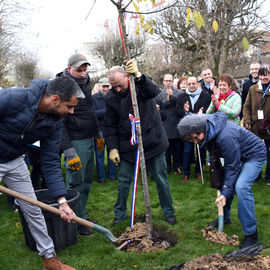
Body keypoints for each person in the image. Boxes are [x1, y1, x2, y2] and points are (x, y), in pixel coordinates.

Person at [0, 76, 82, 270]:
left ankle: (49, 258)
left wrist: (62, 201)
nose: (72, 112)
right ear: (55, 100)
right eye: (69, 106)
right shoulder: (11, 98)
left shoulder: (55, 122)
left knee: (33, 208)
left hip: (15, 160)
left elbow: (50, 160)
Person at [178, 113, 266, 252]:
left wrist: (225, 190)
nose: (195, 142)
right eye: (191, 140)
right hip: (237, 155)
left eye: (195, 138)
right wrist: (220, 182)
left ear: (202, 129)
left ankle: (251, 234)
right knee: (225, 185)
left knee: (241, 187)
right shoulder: (208, 131)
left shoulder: (225, 136)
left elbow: (233, 166)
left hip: (254, 155)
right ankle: (224, 218)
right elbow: (217, 155)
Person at [105, 60, 176, 225]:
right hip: (127, 146)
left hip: (153, 141)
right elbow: (110, 125)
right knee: (123, 180)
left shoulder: (140, 85)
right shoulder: (111, 98)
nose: (117, 89)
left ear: (126, 76)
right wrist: (113, 148)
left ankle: (168, 212)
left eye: (120, 85)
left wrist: (138, 75)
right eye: (113, 86)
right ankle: (120, 213)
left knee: (160, 177)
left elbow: (153, 91)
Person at [57, 53, 100, 236]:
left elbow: (89, 110)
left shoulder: (85, 82)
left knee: (87, 182)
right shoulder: (61, 86)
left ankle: (81, 215)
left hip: (89, 137)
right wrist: (68, 149)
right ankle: (72, 222)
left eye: (84, 70)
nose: (83, 74)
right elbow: (58, 122)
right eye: (78, 70)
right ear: (69, 69)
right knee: (75, 182)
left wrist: (97, 133)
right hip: (75, 140)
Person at [176, 77, 211, 182]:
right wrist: (185, 111)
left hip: (200, 129)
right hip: (188, 130)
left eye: (193, 83)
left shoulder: (205, 95)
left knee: (200, 150)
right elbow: (177, 112)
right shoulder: (181, 96)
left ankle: (198, 171)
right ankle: (186, 173)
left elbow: (209, 110)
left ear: (198, 84)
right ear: (187, 85)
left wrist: (202, 113)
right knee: (187, 151)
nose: (191, 85)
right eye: (189, 84)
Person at [243, 64, 270, 185]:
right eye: (262, 75)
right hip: (255, 126)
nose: (264, 77)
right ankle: (256, 176)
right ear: (259, 76)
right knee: (255, 152)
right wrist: (247, 120)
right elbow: (247, 107)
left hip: (269, 127)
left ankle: (269, 177)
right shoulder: (253, 89)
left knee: (269, 152)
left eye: (266, 75)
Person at [156, 74, 182, 175]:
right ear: (163, 82)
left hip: (175, 123)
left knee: (176, 148)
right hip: (165, 123)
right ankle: (167, 167)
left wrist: (172, 97)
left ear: (172, 82)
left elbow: (179, 106)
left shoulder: (179, 93)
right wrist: (167, 99)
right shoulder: (158, 94)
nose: (168, 83)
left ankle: (176, 166)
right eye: (166, 81)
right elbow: (160, 108)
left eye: (170, 81)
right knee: (166, 149)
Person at [93, 77, 117, 184]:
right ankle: (101, 178)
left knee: (112, 153)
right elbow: (92, 115)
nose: (106, 89)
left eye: (108, 86)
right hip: (99, 133)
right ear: (99, 86)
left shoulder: (114, 97)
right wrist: (104, 112)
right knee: (99, 156)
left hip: (111, 132)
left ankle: (112, 175)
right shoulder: (93, 98)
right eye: (104, 86)